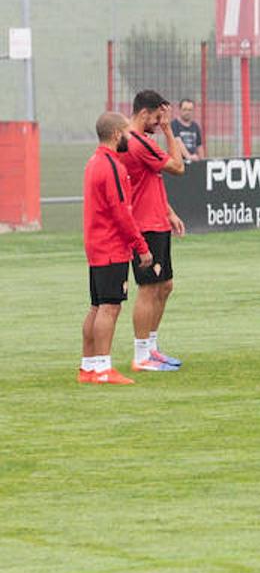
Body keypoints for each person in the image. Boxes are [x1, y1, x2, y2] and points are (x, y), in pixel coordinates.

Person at [81, 112, 154, 385]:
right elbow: (122, 212)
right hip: (111, 245)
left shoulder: (93, 162)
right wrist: (141, 246)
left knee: (96, 306)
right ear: (116, 135)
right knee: (110, 307)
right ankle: (103, 368)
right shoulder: (113, 166)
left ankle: (88, 366)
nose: (130, 138)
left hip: (96, 244)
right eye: (127, 133)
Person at [121, 89, 186, 372]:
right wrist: (171, 131)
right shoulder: (137, 142)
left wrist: (168, 211)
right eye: (157, 119)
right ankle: (140, 355)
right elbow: (178, 167)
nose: (159, 125)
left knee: (165, 285)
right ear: (144, 113)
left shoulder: (137, 141)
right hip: (145, 225)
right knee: (148, 288)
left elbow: (148, 182)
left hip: (157, 220)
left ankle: (152, 348)